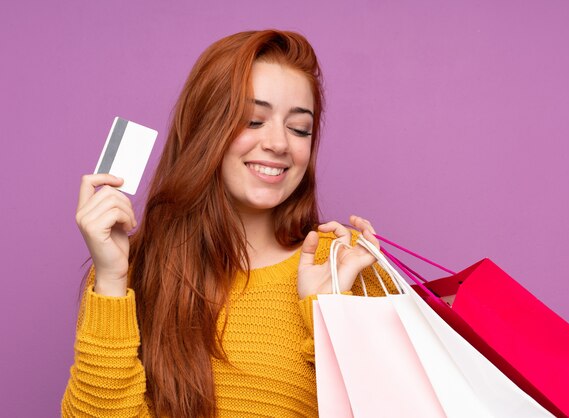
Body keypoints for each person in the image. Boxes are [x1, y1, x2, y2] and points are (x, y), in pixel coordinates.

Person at [62, 29, 390, 417]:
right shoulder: (129, 273)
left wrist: (328, 312)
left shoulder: (342, 263)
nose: (280, 144)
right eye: (253, 120)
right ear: (205, 129)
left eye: (300, 128)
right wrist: (113, 280)